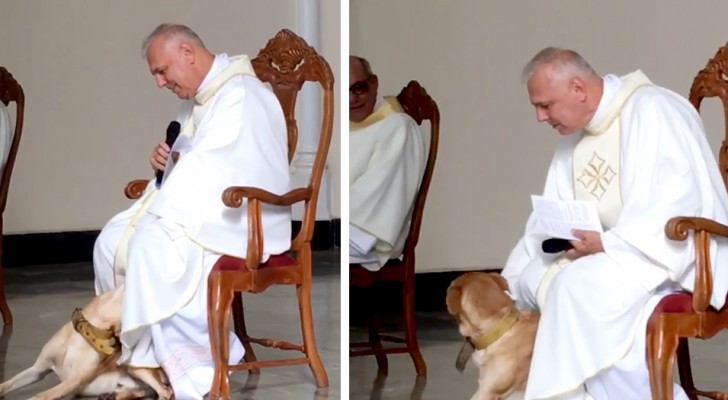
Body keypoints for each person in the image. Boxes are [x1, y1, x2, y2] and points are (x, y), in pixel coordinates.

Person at [501, 46, 728, 400]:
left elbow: (675, 201)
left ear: (578, 89)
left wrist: (608, 243)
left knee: (573, 288)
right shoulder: (574, 139)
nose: (540, 118)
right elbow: (544, 221)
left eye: (545, 105)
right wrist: (508, 279)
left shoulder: (654, 109)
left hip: (665, 253)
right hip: (610, 254)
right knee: (533, 277)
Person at [91, 23, 291, 399]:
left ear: (187, 53)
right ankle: (133, 358)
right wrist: (163, 164)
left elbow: (223, 166)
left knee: (152, 245)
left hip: (242, 216)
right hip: (204, 206)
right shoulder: (202, 98)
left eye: (161, 72)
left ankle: (190, 367)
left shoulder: (241, 94)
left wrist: (177, 172)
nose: (160, 83)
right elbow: (194, 161)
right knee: (110, 241)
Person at [349, 55, 426, 271]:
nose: (352, 99)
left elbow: (377, 189)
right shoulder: (341, 125)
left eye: (359, 88)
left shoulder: (398, 127)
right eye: (345, 91)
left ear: (373, 83)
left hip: (366, 239)